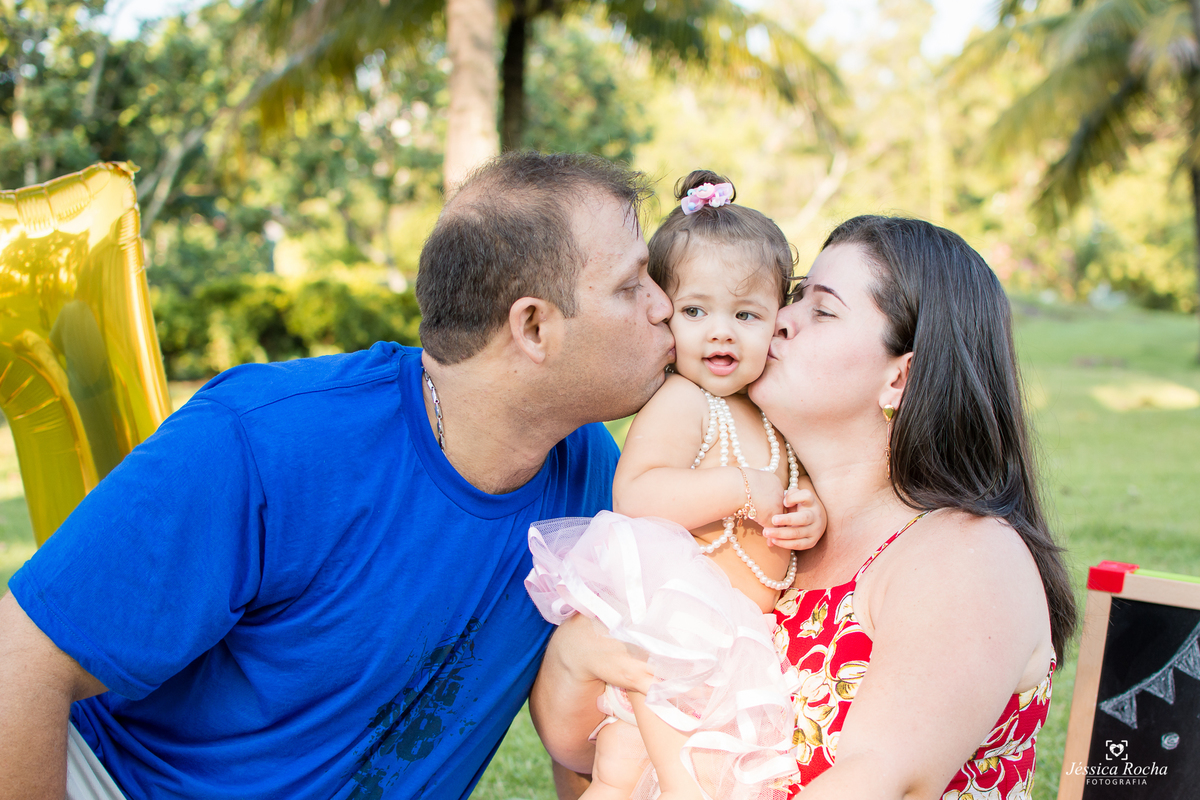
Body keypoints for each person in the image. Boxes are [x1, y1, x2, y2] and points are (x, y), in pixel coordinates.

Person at [0, 152, 675, 800]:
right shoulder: (266, 438)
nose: (664, 306)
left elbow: (598, 705)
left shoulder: (592, 475)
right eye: (630, 286)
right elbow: (19, 664)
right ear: (532, 326)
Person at [534, 215, 1076, 800]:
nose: (781, 320)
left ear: (902, 378)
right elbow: (581, 753)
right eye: (794, 298)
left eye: (822, 310)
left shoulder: (967, 555)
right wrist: (584, 655)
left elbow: (881, 783)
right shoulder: (765, 540)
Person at [525, 172, 825, 800]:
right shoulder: (683, 400)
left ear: (779, 320)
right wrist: (743, 486)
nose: (721, 332)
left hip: (729, 650)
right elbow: (637, 496)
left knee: (696, 772)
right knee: (625, 766)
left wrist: (807, 513)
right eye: (695, 312)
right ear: (663, 312)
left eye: (746, 315)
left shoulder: (772, 409)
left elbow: (789, 489)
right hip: (670, 635)